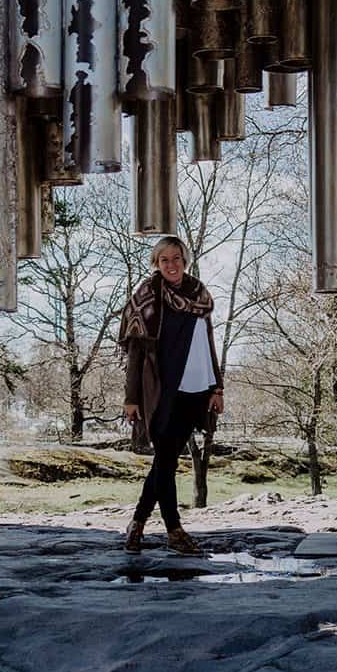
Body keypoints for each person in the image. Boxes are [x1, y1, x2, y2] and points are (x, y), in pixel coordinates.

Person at [118, 236, 224, 555]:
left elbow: (207, 343)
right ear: (156, 264)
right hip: (163, 390)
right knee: (165, 460)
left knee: (165, 463)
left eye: (176, 258)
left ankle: (137, 523)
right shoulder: (147, 297)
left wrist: (216, 386)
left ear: (185, 260)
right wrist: (131, 398)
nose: (171, 265)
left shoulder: (198, 294)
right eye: (164, 260)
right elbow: (136, 353)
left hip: (197, 388)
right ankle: (174, 530)